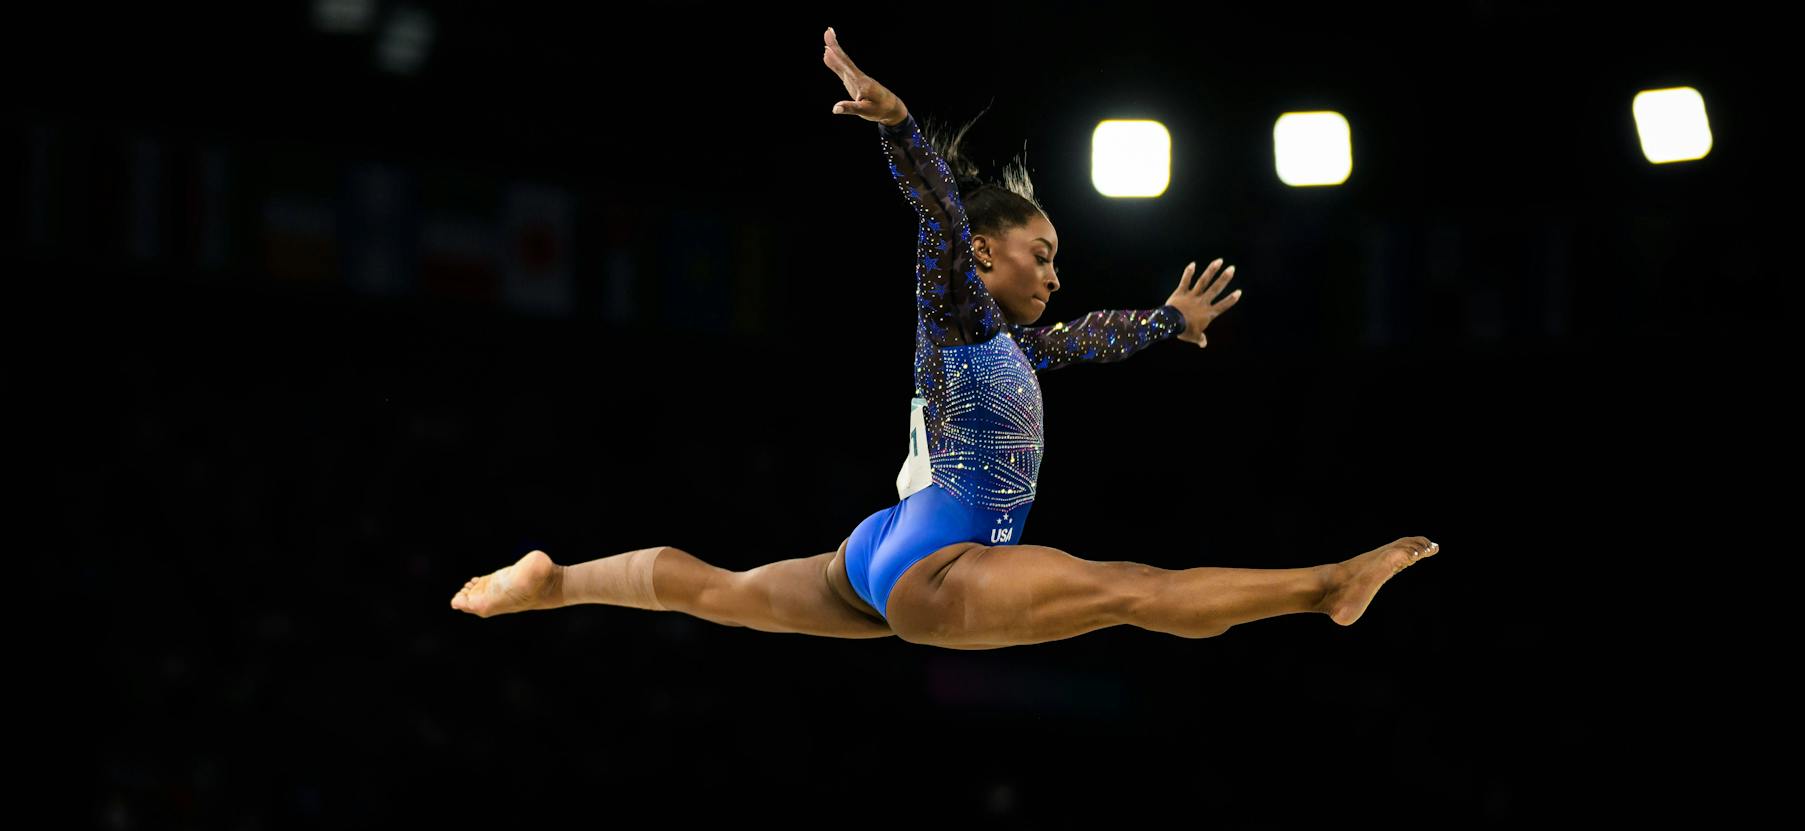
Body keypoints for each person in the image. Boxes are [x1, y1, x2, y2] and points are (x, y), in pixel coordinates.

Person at [450, 27, 1436, 648]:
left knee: (713, 590)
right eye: (1039, 254)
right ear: (982, 255)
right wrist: (901, 129)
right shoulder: (955, 306)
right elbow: (932, 217)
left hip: (884, 547)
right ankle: (1324, 587)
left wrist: (1162, 321)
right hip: (936, 560)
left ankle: (557, 581)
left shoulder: (1000, 349)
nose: (1053, 274)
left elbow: (1083, 339)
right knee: (1135, 590)